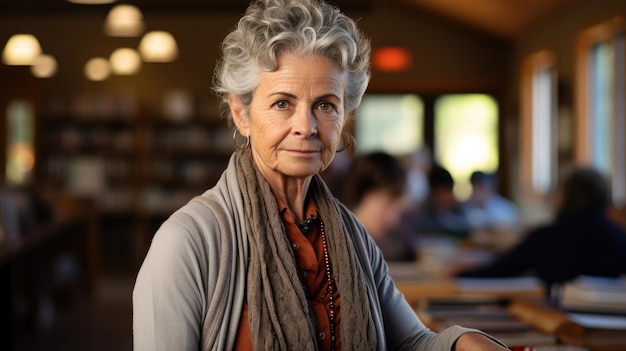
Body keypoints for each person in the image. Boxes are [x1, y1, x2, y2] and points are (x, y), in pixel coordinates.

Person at [133, 0, 509, 350]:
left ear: (345, 116)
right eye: (282, 103)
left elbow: (411, 342)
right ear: (240, 114)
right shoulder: (186, 242)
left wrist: (461, 343)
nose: (306, 126)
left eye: (326, 105)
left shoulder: (351, 234)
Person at [456, 166, 626, 293]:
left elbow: (500, 270)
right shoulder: (619, 238)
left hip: (555, 324)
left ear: (564, 196)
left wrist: (460, 273)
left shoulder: (546, 238)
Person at [343, 151, 413, 261]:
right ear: (364, 194)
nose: (393, 220)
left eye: (398, 210)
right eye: (388, 205)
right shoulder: (340, 245)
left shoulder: (385, 246)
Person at [462, 171, 521, 252]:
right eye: (475, 187)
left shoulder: (506, 209)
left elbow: (511, 237)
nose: (477, 191)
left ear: (490, 187)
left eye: (480, 187)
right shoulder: (465, 207)